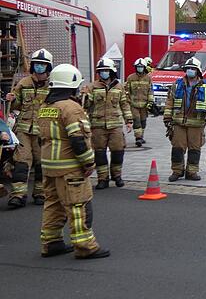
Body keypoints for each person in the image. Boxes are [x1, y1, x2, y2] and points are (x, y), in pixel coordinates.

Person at [38, 64, 109, 259]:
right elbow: (78, 140)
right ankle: (85, 246)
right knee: (79, 205)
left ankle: (51, 242)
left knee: (53, 204)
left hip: (49, 166)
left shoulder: (45, 107)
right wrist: (88, 163)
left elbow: (39, 137)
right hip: (70, 167)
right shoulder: (71, 108)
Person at [6, 48, 53, 208]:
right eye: (37, 64)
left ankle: (40, 193)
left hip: (43, 130)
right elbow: (16, 104)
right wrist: (11, 99)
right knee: (21, 162)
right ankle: (18, 195)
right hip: (24, 129)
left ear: (48, 67)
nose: (39, 67)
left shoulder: (52, 85)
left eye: (43, 64)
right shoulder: (23, 83)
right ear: (33, 65)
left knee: (42, 163)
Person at [83, 58, 133, 189]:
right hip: (97, 125)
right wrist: (85, 97)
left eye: (105, 70)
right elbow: (85, 105)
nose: (103, 73)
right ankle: (102, 179)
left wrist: (129, 121)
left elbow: (124, 105)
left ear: (111, 71)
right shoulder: (92, 87)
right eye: (101, 71)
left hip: (115, 125)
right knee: (99, 153)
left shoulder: (119, 87)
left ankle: (117, 176)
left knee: (118, 151)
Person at [164, 57, 206, 181]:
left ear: (197, 71)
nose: (190, 71)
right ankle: (177, 171)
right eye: (188, 69)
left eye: (193, 69)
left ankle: (191, 172)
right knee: (177, 148)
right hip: (178, 123)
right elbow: (170, 101)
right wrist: (167, 117)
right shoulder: (177, 84)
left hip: (196, 124)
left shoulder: (205, 86)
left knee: (194, 149)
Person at [125, 58, 152, 147]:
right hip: (134, 104)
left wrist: (150, 102)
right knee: (136, 121)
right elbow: (127, 91)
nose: (139, 68)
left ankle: (141, 136)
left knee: (143, 121)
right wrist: (127, 101)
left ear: (144, 67)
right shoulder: (130, 78)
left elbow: (150, 91)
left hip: (144, 104)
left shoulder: (148, 78)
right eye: (138, 67)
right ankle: (138, 138)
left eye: (141, 67)